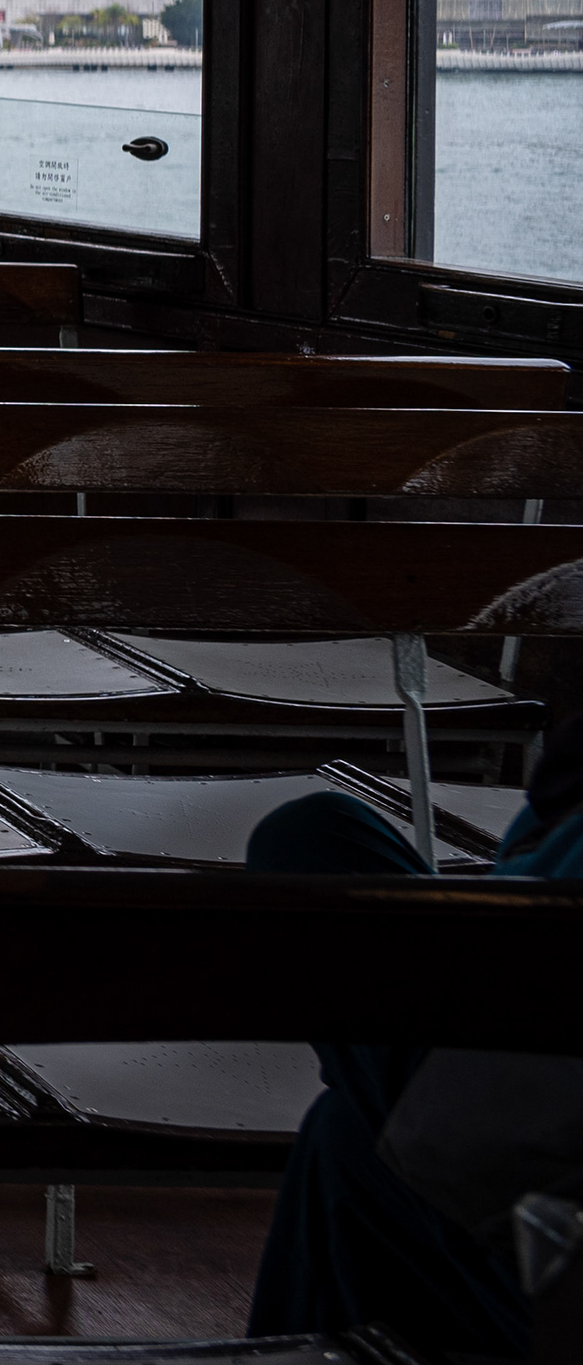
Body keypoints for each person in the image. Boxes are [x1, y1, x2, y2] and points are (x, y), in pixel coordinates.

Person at [245, 564, 583, 1361]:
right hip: (517, 1075)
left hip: (531, 1148)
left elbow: (536, 906)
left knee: (306, 843)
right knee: (350, 1136)